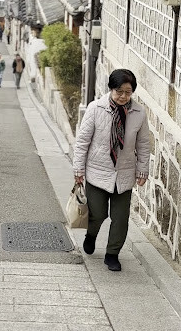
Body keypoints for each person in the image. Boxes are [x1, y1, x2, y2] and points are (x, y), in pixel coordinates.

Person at [73, 69, 150, 272]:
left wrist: (142, 170)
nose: (123, 96)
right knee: (97, 214)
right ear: (111, 88)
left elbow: (143, 143)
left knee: (120, 218)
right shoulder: (95, 108)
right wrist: (78, 169)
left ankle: (112, 254)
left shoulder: (139, 113)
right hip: (97, 172)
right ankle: (91, 235)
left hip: (124, 174)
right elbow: (82, 141)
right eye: (119, 91)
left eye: (128, 92)